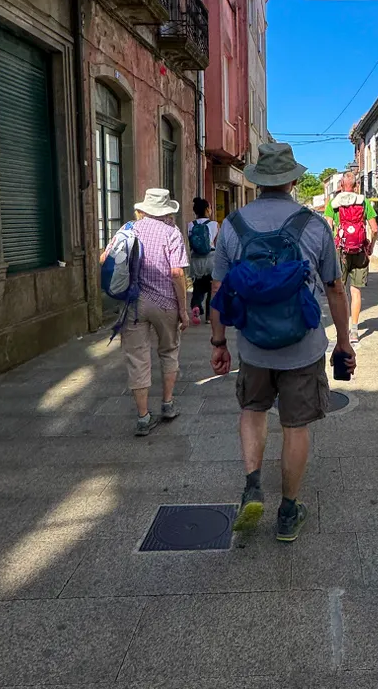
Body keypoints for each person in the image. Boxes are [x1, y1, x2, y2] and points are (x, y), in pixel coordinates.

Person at [210, 143, 356, 542]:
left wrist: (219, 341)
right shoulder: (314, 225)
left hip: (254, 344)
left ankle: (253, 485)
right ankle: (289, 512)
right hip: (303, 346)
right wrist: (343, 341)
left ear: (257, 181)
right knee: (295, 426)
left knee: (253, 410)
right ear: (292, 180)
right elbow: (335, 290)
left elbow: (219, 289)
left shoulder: (233, 226)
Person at [119, 189, 189, 437]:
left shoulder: (129, 229)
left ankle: (142, 417)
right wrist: (183, 309)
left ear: (145, 208)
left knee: (137, 358)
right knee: (169, 350)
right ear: (167, 210)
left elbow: (107, 258)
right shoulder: (172, 233)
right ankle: (168, 404)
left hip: (134, 303)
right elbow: (177, 273)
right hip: (165, 302)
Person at [324, 171, 378, 344]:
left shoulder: (333, 204)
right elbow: (375, 229)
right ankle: (354, 330)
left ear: (341, 186)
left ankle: (342, 330)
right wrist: (370, 246)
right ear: (356, 186)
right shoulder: (364, 203)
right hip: (360, 250)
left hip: (341, 251)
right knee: (356, 291)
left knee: (340, 291)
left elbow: (327, 229)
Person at [187, 197, 219, 325]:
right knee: (212, 287)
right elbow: (217, 243)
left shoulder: (190, 225)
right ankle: (209, 317)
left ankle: (196, 306)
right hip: (211, 258)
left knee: (198, 286)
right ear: (207, 209)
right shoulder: (214, 224)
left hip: (196, 259)